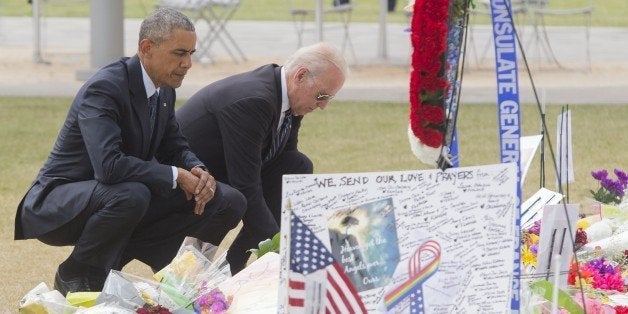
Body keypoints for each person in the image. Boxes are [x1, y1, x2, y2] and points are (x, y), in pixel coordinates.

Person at [14, 8, 246, 296]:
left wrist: (198, 170)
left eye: (191, 53)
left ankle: (179, 279)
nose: (187, 63)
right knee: (132, 194)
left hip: (117, 197)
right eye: (179, 53)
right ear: (146, 48)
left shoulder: (164, 89)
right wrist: (176, 175)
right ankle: (76, 271)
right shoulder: (105, 87)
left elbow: (174, 146)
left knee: (228, 200)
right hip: (60, 202)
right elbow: (108, 166)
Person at [176, 42, 348, 274]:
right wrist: (281, 251)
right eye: (322, 95)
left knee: (297, 166)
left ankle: (235, 261)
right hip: (187, 179)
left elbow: (284, 163)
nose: (324, 105)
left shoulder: (288, 96)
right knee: (236, 198)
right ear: (300, 76)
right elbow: (246, 184)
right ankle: (204, 269)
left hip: (225, 174)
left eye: (329, 98)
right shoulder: (255, 100)